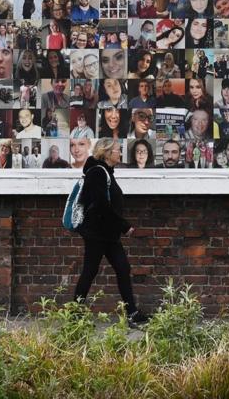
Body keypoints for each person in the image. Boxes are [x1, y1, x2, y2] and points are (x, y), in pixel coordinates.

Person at [73, 139, 149, 325]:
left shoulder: (105, 172)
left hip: (107, 234)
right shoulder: (98, 172)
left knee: (122, 268)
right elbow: (101, 206)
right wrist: (124, 226)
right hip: (97, 233)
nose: (120, 153)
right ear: (106, 153)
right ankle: (74, 315)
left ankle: (131, 313)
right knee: (90, 271)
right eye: (117, 150)